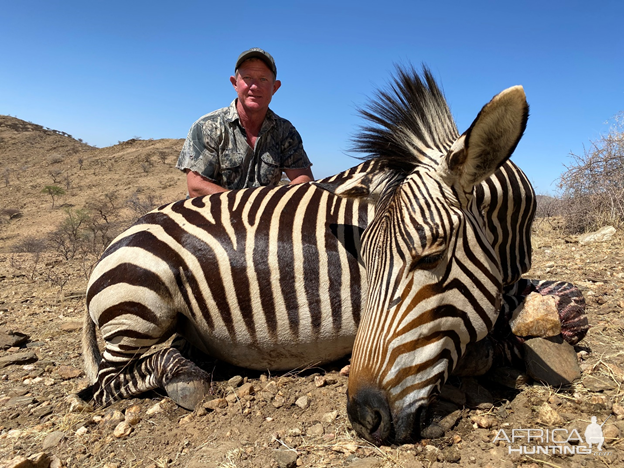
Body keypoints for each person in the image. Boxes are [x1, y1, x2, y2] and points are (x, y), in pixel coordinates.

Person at [177, 48, 314, 197]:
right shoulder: (207, 126)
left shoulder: (286, 131)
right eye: (247, 78)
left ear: (275, 87)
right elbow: (197, 186)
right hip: (211, 217)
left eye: (263, 79)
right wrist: (249, 207)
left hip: (264, 216)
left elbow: (303, 178)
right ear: (235, 83)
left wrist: (270, 206)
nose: (254, 86)